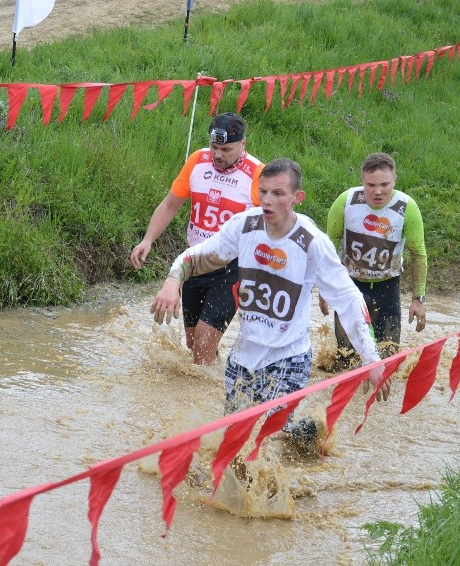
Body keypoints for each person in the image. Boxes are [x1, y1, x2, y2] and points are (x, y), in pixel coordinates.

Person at [151, 158, 389, 442]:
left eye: (277, 193)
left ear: (296, 198)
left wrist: (371, 359)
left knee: (267, 437)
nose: (267, 200)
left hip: (290, 357)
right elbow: (199, 255)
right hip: (243, 358)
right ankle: (304, 436)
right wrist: (173, 279)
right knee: (235, 442)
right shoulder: (244, 226)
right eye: (263, 192)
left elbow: (349, 298)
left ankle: (292, 441)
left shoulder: (312, 241)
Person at [131, 112, 263, 365]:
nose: (218, 155)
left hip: (231, 268)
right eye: (214, 147)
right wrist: (148, 240)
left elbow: (272, 226)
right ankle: (216, 378)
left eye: (226, 149)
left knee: (203, 342)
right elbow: (170, 205)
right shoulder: (197, 161)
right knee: (194, 346)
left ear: (243, 145)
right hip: (194, 262)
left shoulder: (257, 174)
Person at [320, 152, 427, 364]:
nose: (378, 192)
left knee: (388, 359)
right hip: (349, 286)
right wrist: (324, 290)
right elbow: (328, 248)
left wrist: (418, 299)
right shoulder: (346, 201)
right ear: (362, 181)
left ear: (395, 180)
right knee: (344, 359)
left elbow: (418, 254)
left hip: (387, 288)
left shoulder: (407, 207)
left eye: (384, 185)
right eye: (370, 185)